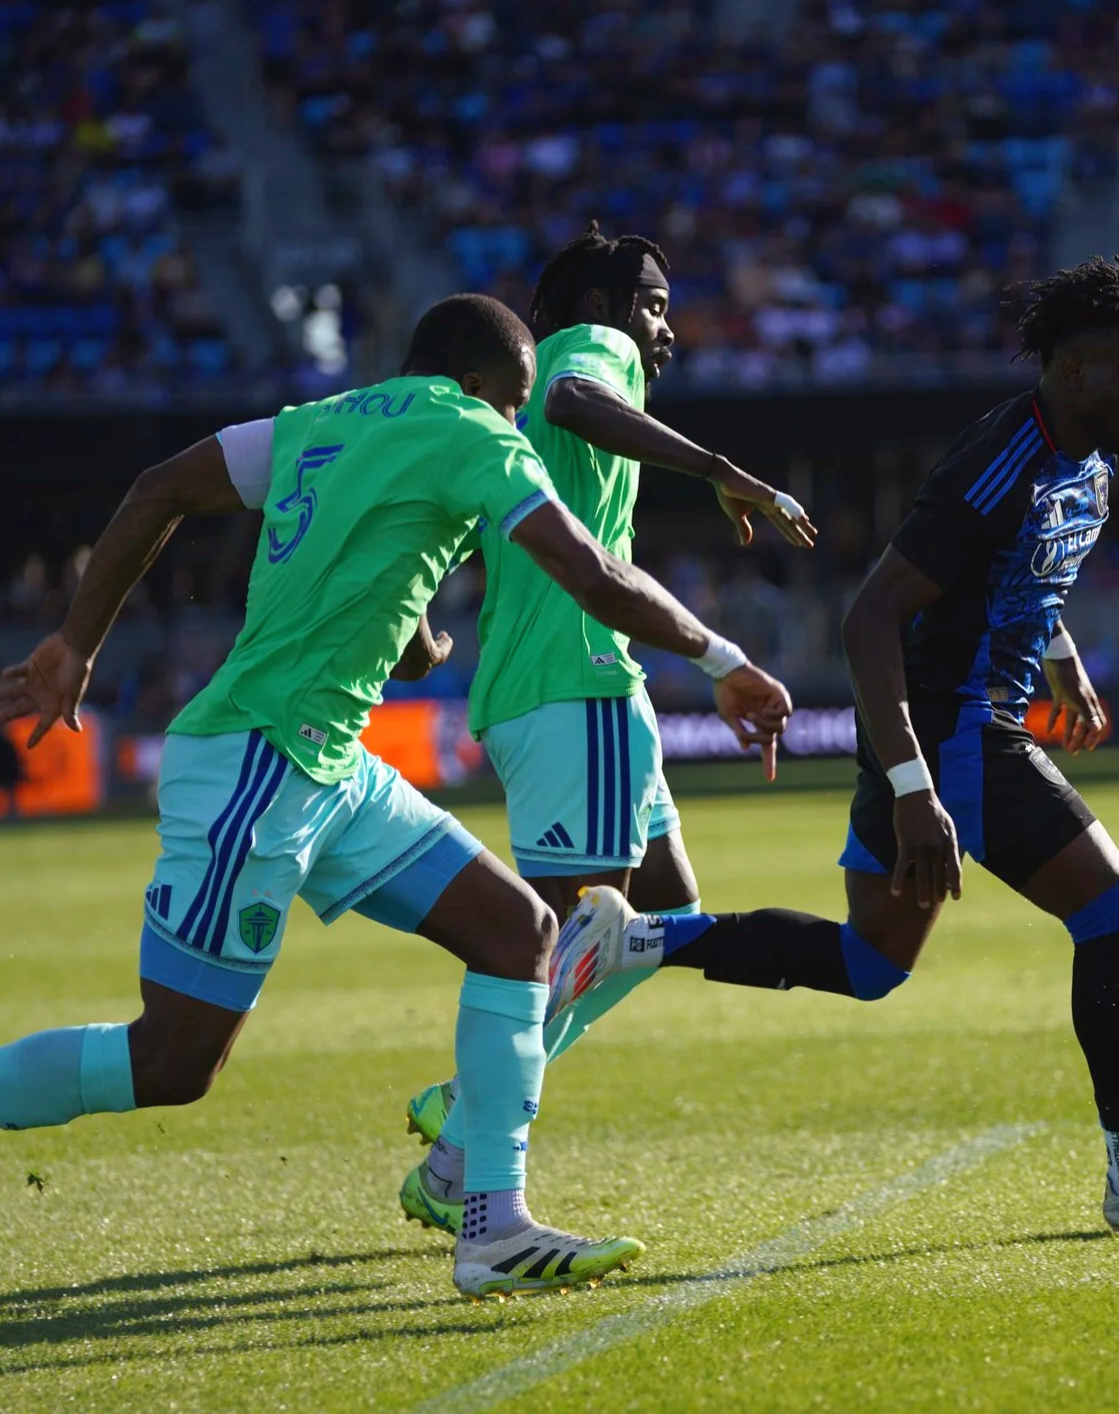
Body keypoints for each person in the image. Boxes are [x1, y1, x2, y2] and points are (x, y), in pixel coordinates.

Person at [0, 294, 796, 1298]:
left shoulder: (322, 424)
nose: (515, 419)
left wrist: (76, 641)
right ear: (479, 384)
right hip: (261, 764)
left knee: (520, 932)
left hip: (328, 763)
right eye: (513, 400)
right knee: (173, 1060)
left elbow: (160, 489)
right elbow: (592, 573)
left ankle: (492, 1222)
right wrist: (722, 658)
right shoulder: (476, 434)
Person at [513, 259, 1119, 1231]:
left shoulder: (1087, 451)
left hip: (929, 736)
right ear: (1074, 371)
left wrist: (1061, 658)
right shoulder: (1004, 454)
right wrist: (916, 788)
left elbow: (1013, 572)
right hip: (951, 733)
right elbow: (870, 616)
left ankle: (640, 938)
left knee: (871, 963)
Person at [395, 224, 819, 1235]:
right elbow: (575, 395)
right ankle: (464, 1159)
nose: (665, 330)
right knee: (574, 935)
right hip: (569, 685)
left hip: (574, 685)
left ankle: (465, 1102)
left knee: (658, 911)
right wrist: (724, 468)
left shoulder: (522, 414)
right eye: (656, 305)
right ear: (607, 302)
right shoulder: (595, 345)